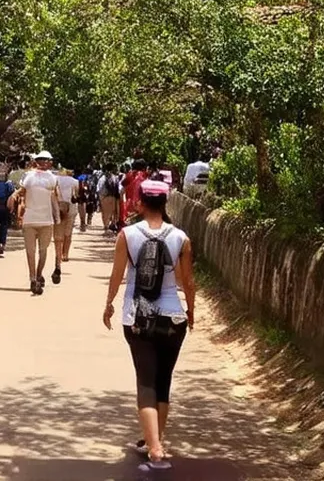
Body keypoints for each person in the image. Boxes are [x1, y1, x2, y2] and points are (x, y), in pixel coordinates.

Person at [102, 179, 196, 472]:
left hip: (138, 318)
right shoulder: (180, 237)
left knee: (146, 382)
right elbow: (187, 281)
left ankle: (155, 450)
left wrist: (109, 303)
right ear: (165, 203)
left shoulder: (127, 235)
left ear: (140, 203)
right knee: (163, 381)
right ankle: (155, 440)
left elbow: (117, 275)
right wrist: (191, 311)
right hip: (173, 317)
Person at [11, 151, 61, 295]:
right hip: (42, 220)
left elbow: (22, 193)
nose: (46, 162)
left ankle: (34, 277)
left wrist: (14, 198)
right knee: (40, 251)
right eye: (46, 160)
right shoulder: (51, 179)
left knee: (33, 251)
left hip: (33, 220)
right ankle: (37, 276)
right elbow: (54, 199)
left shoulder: (29, 176)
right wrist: (57, 217)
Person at [54, 166, 79, 283]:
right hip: (71, 209)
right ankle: (66, 254)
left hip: (58, 209)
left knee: (58, 236)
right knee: (68, 233)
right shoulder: (75, 181)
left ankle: (58, 256)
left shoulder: (55, 180)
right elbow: (77, 195)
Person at [0, 169, 15, 257]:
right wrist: (12, 208)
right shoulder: (9, 184)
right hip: (5, 208)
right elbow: (12, 196)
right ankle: (1, 244)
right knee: (4, 226)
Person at [99, 163, 123, 234]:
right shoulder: (114, 177)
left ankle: (107, 227)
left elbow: (99, 189)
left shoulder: (102, 178)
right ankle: (110, 226)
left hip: (106, 197)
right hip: (111, 197)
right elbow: (118, 188)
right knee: (112, 213)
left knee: (106, 213)